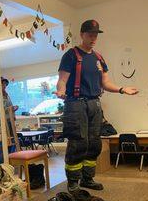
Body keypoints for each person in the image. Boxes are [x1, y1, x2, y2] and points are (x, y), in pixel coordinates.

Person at [55, 20, 138, 192]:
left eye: (95, 35)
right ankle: (73, 182)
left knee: (93, 143)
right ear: (82, 34)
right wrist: (60, 90)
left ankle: (87, 178)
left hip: (94, 104)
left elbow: (106, 83)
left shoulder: (99, 58)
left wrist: (122, 89)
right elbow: (62, 80)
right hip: (75, 104)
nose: (93, 38)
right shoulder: (71, 55)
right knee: (78, 143)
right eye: (89, 34)